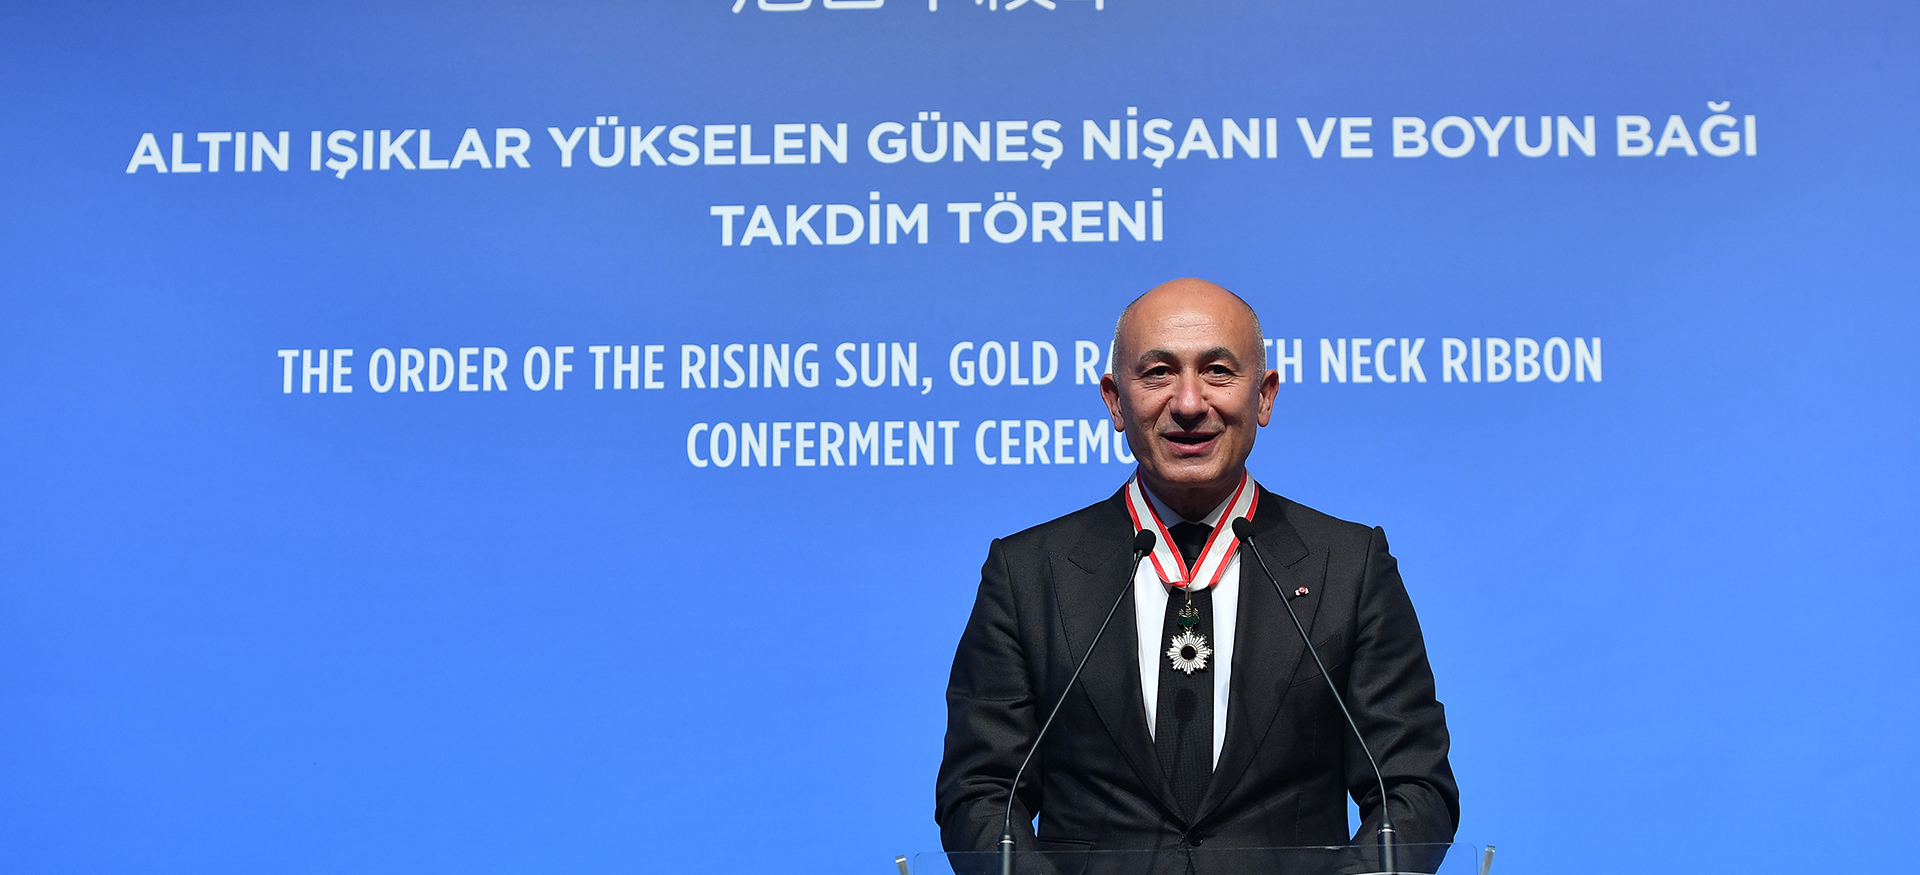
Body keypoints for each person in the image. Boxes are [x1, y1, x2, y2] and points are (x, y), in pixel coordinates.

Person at [935, 279, 1458, 864]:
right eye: (1158, 373)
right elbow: (980, 793)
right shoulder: (1028, 575)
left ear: (1264, 397)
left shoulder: (1350, 567)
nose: (1188, 403)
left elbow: (1412, 788)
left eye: (1218, 372)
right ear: (1114, 401)